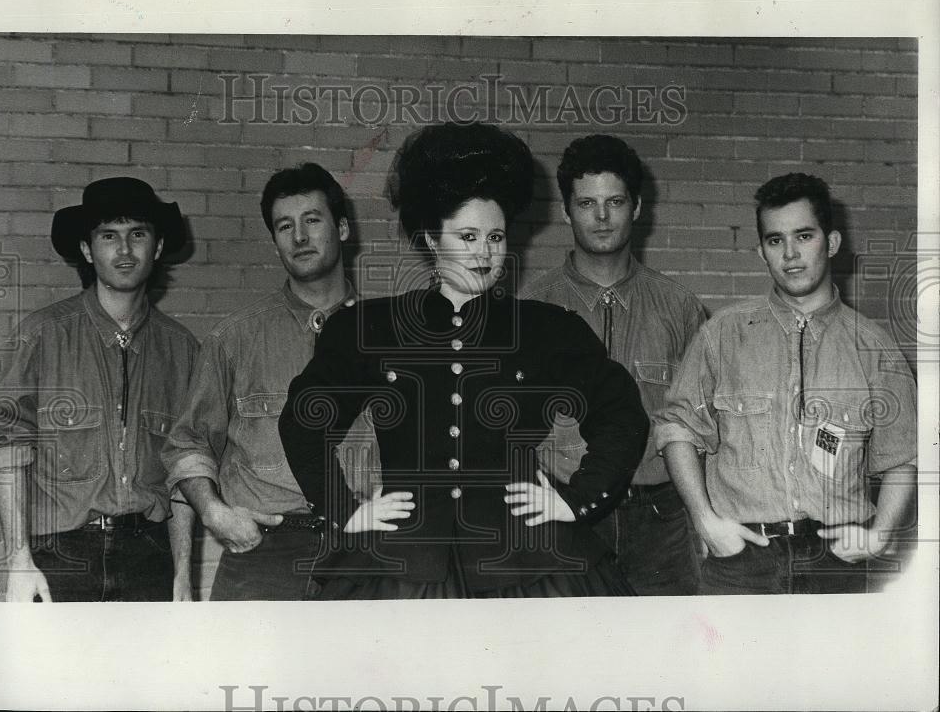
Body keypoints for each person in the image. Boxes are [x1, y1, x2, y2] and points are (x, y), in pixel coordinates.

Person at [279, 122, 649, 599]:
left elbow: (620, 411)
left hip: (529, 561)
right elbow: (303, 421)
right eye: (468, 236)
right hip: (402, 564)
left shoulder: (545, 330)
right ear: (433, 240)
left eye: (495, 237)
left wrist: (574, 501)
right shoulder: (371, 329)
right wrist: (346, 509)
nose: (484, 253)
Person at [657, 173, 918, 594]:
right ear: (761, 251)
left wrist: (880, 533)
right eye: (775, 240)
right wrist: (705, 521)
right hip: (741, 561)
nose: (791, 255)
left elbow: (902, 456)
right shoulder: (722, 334)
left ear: (831, 243)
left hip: (836, 561)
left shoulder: (874, 346)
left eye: (804, 236)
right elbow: (676, 429)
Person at [0, 177, 198, 602]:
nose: (125, 250)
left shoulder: (183, 350)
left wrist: (182, 575)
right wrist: (19, 561)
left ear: (159, 246)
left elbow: (186, 468)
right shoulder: (40, 337)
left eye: (138, 234)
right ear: (86, 250)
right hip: (60, 554)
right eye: (108, 236)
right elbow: (5, 447)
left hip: (149, 555)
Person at [162, 163, 372, 600]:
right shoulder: (234, 339)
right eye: (284, 226)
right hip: (265, 557)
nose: (299, 237)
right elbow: (187, 443)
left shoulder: (388, 336)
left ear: (344, 228)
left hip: (369, 549)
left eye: (312, 220)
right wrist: (215, 513)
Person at [522, 134, 706, 595]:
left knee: (663, 653)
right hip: (559, 508)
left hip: (661, 520)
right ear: (566, 211)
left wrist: (705, 515)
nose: (602, 217)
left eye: (615, 202)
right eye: (586, 203)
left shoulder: (679, 307)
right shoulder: (531, 307)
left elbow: (701, 423)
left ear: (637, 207)